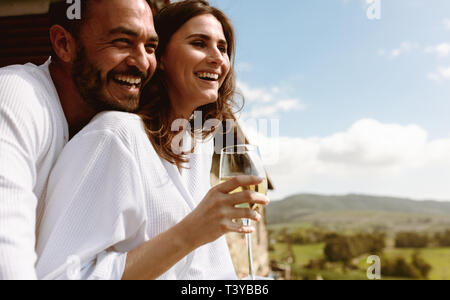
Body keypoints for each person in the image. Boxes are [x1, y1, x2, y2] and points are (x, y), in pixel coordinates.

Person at [35, 0, 269, 280]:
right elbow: (59, 275)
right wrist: (190, 232)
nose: (218, 58)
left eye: (223, 47)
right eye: (199, 43)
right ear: (161, 58)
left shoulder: (198, 145)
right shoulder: (114, 136)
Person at [0, 0, 158, 279]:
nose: (143, 62)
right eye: (122, 42)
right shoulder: (16, 96)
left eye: (150, 47)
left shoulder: (109, 132)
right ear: (63, 44)